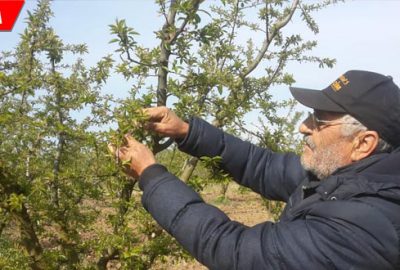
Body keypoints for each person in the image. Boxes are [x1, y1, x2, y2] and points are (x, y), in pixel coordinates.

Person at [109, 70, 400, 269]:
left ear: (363, 143)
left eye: (319, 121)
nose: (303, 127)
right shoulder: (340, 174)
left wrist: (151, 175)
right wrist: (186, 131)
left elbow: (235, 251)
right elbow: (259, 165)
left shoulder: (364, 227)